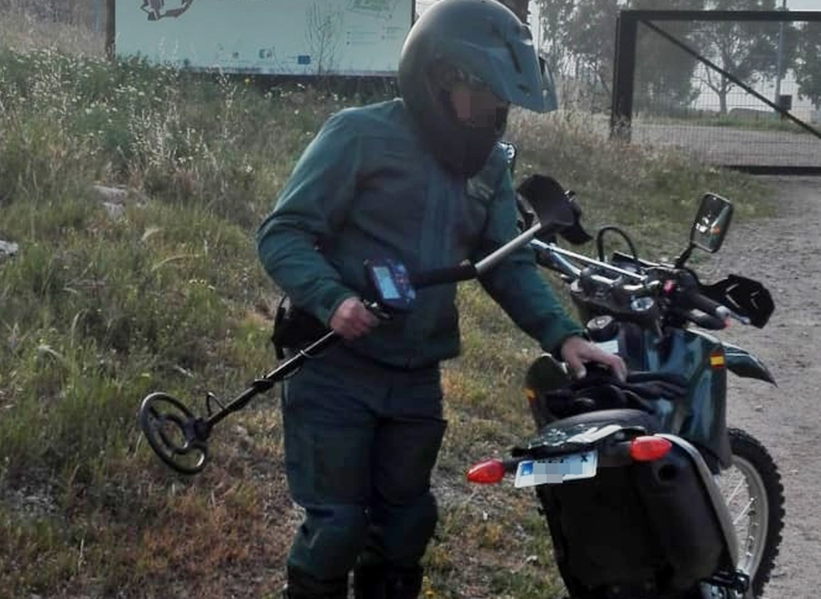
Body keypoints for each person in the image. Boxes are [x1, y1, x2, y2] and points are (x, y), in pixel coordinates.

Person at [254, 0, 627, 597]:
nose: (496, 114)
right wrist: (332, 299)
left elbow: (507, 265)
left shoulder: (487, 167)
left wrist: (564, 334)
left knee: (406, 525)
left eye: (504, 101)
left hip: (414, 375)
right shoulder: (358, 135)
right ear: (437, 77)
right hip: (335, 369)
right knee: (337, 527)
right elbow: (282, 234)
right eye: (485, 96)